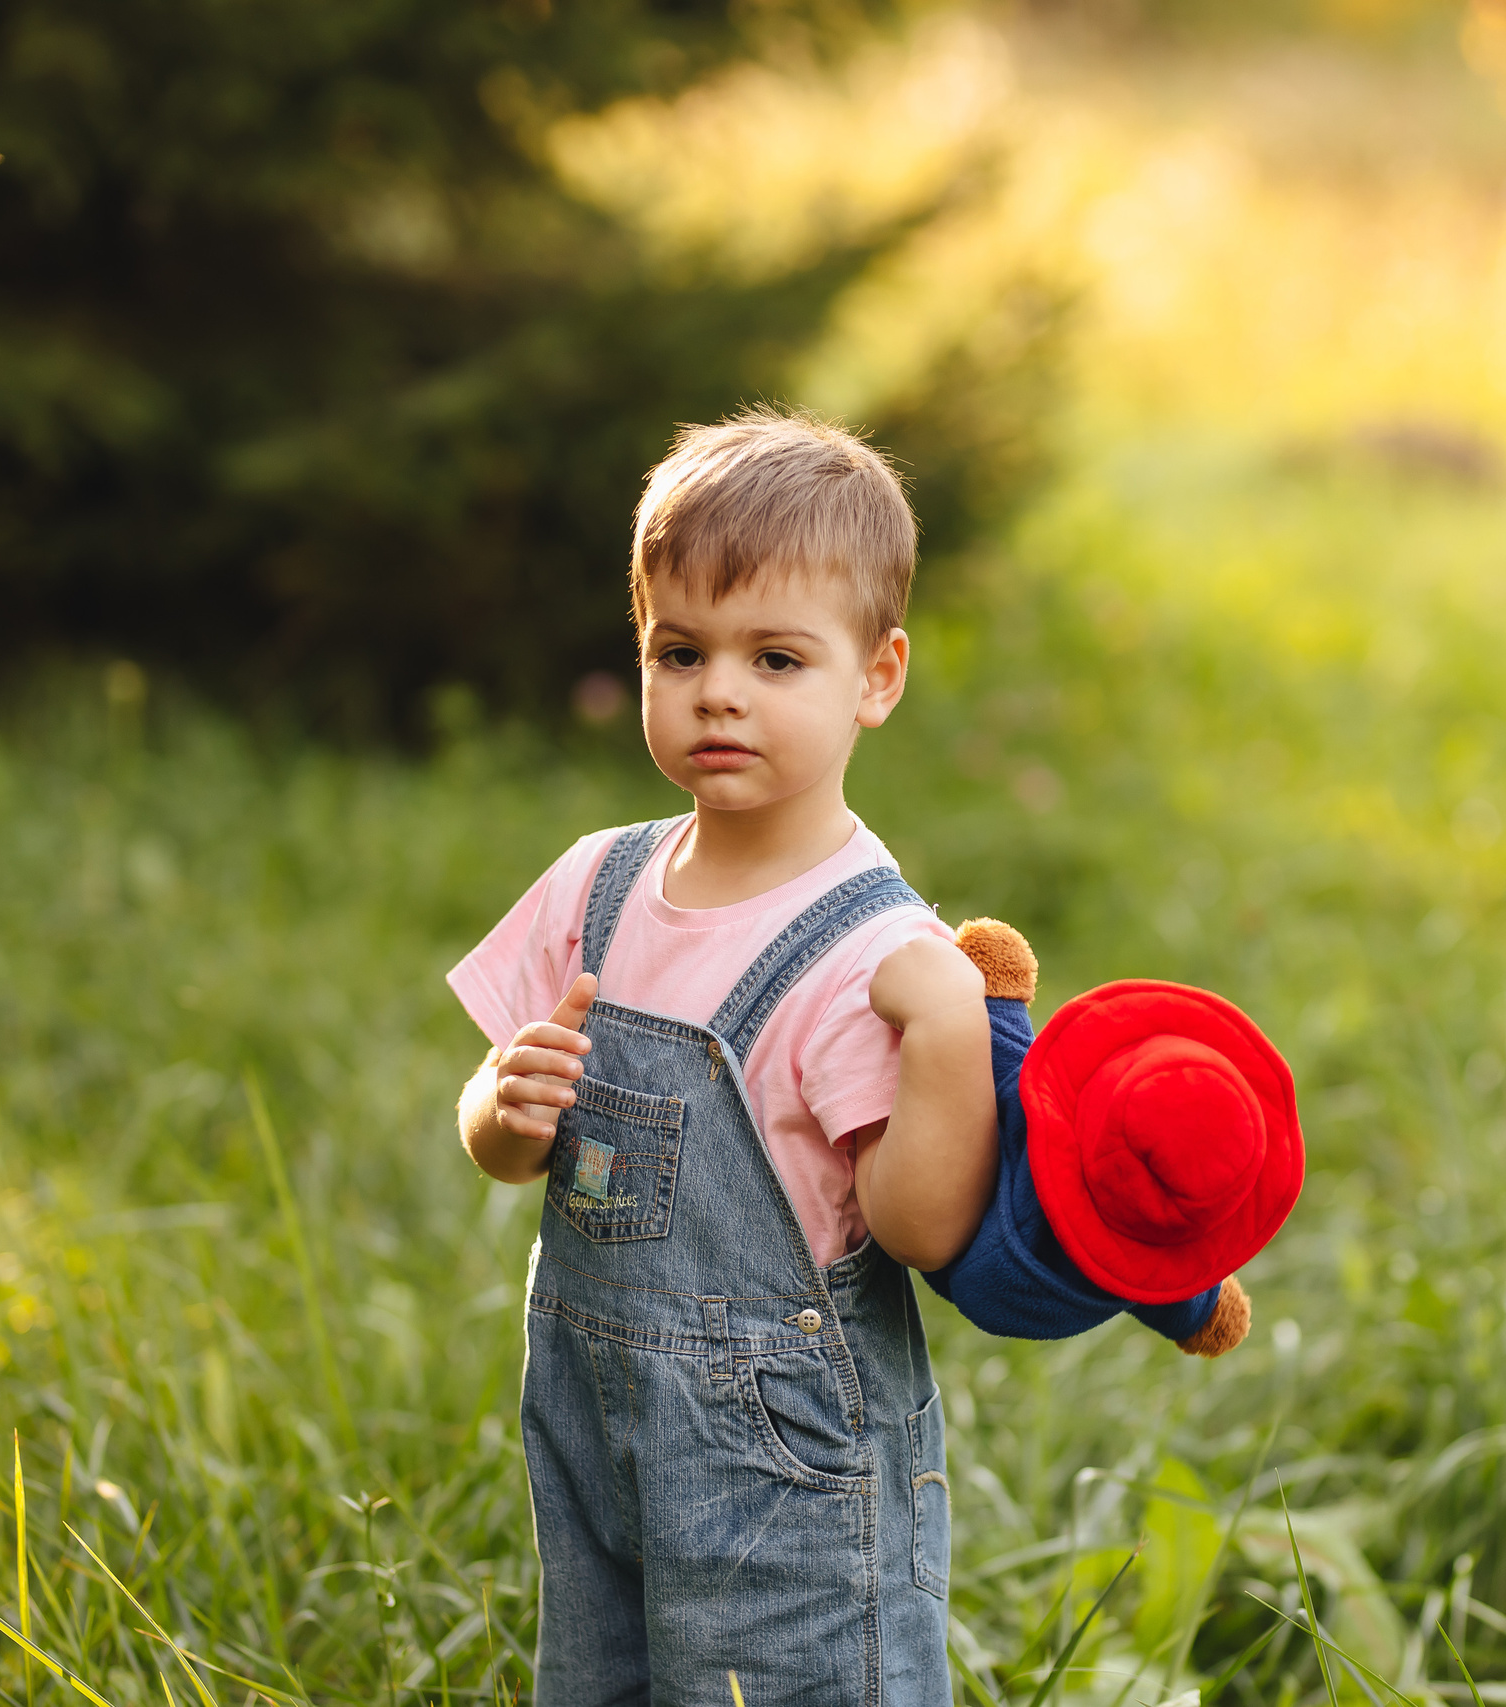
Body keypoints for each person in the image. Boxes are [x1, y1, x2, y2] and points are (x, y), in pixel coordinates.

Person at [447, 405, 992, 1707]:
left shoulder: (869, 955)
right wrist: (502, 1109)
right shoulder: (600, 884)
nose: (720, 692)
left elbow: (916, 1227)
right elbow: (504, 1144)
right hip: (599, 1437)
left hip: (786, 1482)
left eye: (778, 658)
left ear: (878, 675)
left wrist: (951, 1034)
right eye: (680, 650)